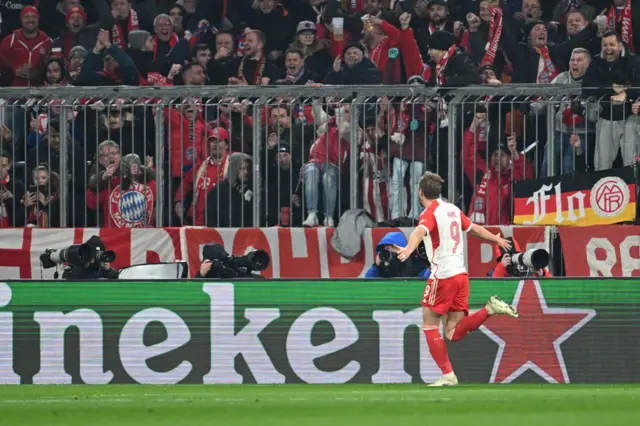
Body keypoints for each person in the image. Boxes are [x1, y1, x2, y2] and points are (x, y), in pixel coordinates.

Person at [395, 172, 519, 386]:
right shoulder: (453, 209)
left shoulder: (429, 212)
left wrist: (408, 248)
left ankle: (448, 376)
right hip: (461, 275)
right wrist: (496, 239)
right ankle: (489, 309)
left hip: (442, 276)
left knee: (429, 324)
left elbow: (418, 231)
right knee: (452, 332)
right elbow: (475, 230)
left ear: (420, 192)